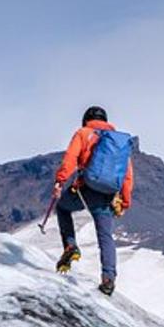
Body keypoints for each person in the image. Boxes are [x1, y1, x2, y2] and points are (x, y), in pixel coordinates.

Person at [52, 106, 134, 295]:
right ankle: (108, 279)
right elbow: (127, 175)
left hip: (85, 187)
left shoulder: (83, 133)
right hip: (106, 194)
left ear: (86, 119)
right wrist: (125, 201)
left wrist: (60, 181)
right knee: (105, 236)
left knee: (63, 208)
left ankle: (70, 245)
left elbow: (70, 158)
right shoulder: (119, 143)